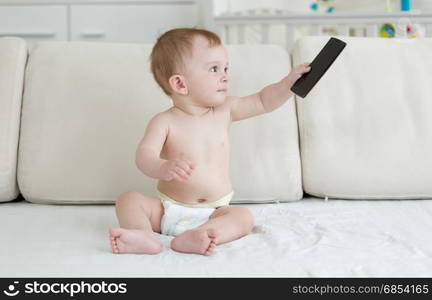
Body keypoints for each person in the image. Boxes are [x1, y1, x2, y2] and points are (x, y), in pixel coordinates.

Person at [109, 28, 310, 256]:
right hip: (167, 210)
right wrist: (162, 168)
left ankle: (201, 236)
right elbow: (144, 156)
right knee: (128, 200)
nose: (225, 75)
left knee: (242, 217)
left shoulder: (225, 110)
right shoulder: (164, 121)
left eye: (226, 68)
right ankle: (142, 235)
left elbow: (264, 101)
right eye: (214, 69)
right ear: (180, 84)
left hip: (214, 212)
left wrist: (289, 83)